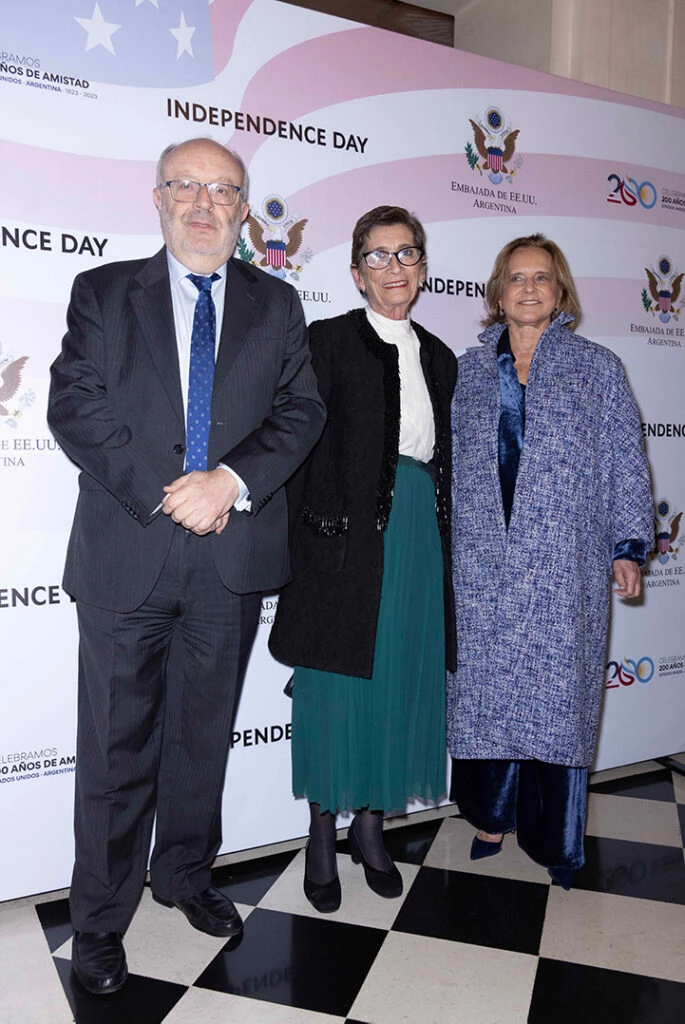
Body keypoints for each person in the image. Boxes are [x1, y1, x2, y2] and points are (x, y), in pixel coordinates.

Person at [48, 138, 325, 994]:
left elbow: (300, 410)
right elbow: (75, 406)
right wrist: (172, 493)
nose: (204, 204)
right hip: (127, 557)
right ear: (159, 198)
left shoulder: (277, 304)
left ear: (243, 210)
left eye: (223, 190)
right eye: (186, 186)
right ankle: (100, 920)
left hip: (228, 560)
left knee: (201, 740)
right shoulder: (103, 292)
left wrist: (228, 482)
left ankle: (183, 875)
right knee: (114, 750)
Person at [447, 233, 653, 886]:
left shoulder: (597, 368)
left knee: (557, 703)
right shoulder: (466, 372)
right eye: (516, 277)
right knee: (484, 696)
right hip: (481, 565)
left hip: (563, 566)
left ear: (560, 290)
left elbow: (625, 460)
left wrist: (628, 546)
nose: (528, 288)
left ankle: (554, 840)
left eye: (541, 277)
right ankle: (488, 816)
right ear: (497, 292)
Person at [269, 206, 457, 912]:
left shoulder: (440, 357)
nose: (393, 267)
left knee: (398, 680)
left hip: (417, 537)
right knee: (334, 691)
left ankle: (370, 829)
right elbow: (293, 448)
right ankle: (321, 834)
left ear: (422, 268)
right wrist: (298, 547)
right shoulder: (327, 342)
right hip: (340, 546)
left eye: (406, 253)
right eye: (377, 256)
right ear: (356, 273)